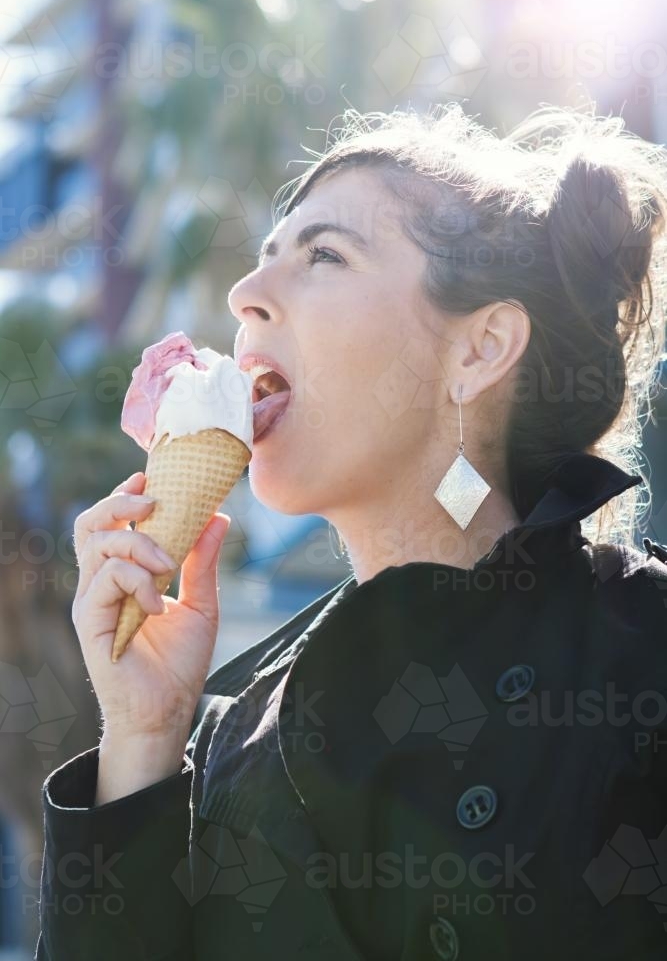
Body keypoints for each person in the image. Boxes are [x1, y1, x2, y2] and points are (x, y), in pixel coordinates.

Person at [36, 103, 667, 961]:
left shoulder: (641, 653)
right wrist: (143, 737)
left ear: (480, 349)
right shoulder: (224, 733)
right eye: (264, 259)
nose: (243, 295)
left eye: (323, 255)